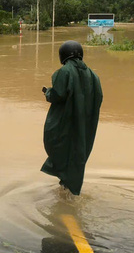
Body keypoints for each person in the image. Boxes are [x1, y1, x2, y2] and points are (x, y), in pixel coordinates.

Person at [41, 40, 103, 195]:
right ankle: (68, 191)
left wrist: (48, 92)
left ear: (62, 56)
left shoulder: (64, 72)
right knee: (76, 155)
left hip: (66, 123)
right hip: (84, 126)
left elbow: (58, 95)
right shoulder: (94, 75)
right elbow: (98, 97)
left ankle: (67, 198)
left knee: (61, 151)